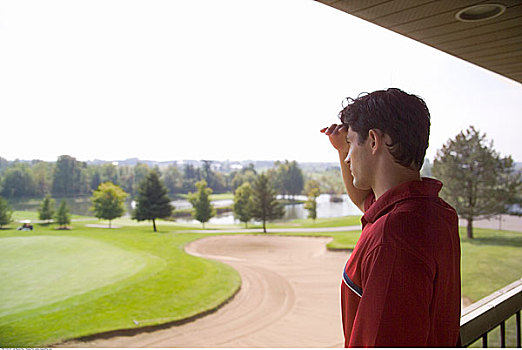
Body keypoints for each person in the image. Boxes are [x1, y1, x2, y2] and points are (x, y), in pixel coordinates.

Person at [321, 88, 461, 347]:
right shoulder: (434, 212)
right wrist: (341, 149)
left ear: (373, 141)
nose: (349, 157)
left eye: (351, 144)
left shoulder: (393, 237)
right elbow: (365, 201)